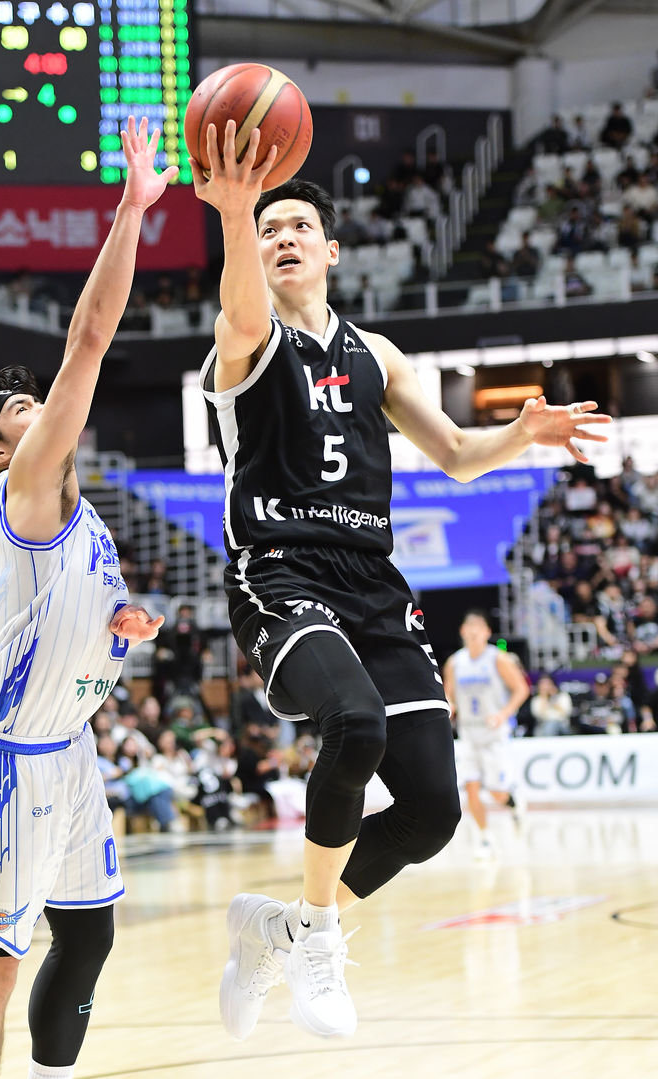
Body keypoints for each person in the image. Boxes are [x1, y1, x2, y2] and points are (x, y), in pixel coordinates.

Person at [190, 119, 611, 1041]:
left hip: (373, 584)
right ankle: (316, 941)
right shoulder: (245, 335)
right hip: (283, 571)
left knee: (429, 811)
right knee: (355, 723)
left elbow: (458, 453)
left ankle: (284, 926)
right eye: (270, 230)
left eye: (298, 225)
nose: (283, 238)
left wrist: (521, 436)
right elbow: (241, 301)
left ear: (333, 249)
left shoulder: (376, 355)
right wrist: (233, 213)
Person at [0, 116, 174, 1079]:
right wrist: (130, 211)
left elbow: (97, 614)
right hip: (7, 758)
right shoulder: (24, 488)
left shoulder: (80, 509)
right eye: (22, 409)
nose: (44, 405)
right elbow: (87, 339)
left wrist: (125, 626)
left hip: (68, 751)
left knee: (87, 936)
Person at [442, 611, 530, 859]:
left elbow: (521, 689)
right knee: (470, 788)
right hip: (469, 732)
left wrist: (503, 714)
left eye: (477, 629)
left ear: (487, 633)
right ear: (462, 632)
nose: (472, 633)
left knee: (496, 792)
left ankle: (513, 801)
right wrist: (451, 706)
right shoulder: (454, 662)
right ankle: (485, 838)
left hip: (494, 733)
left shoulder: (498, 658)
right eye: (468, 629)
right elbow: (450, 694)